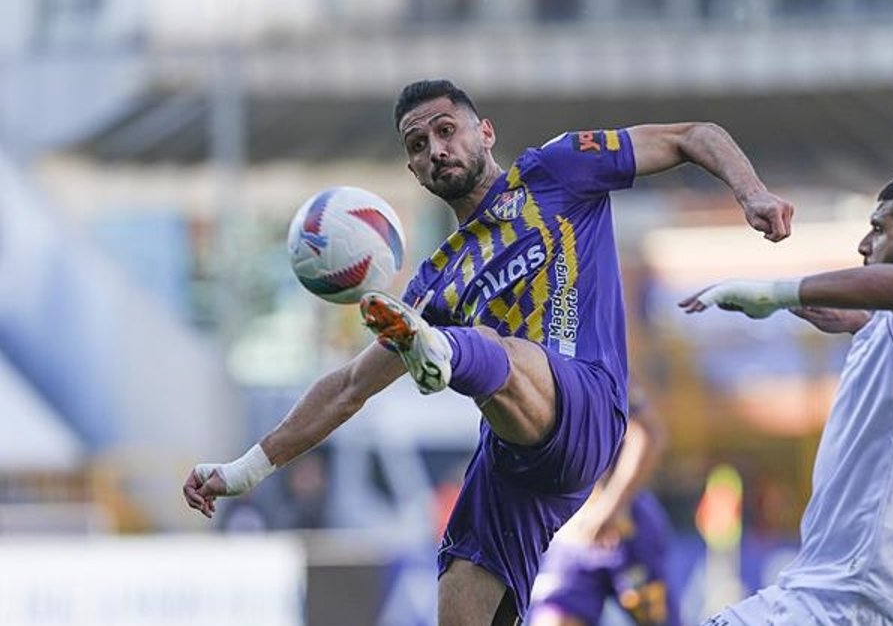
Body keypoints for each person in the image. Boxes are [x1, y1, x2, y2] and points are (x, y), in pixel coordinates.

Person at [182, 79, 793, 624]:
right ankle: (443, 355)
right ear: (415, 172)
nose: (434, 151)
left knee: (489, 348)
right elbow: (346, 390)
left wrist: (752, 194)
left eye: (445, 131)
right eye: (417, 147)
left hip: (586, 400)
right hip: (512, 460)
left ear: (485, 132)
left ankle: (444, 355)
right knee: (460, 600)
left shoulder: (557, 171)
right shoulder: (436, 281)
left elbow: (692, 134)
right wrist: (243, 471)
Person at [680, 170, 893, 626]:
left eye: (880, 228)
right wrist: (856, 321)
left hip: (847, 600)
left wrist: (776, 292)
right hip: (843, 596)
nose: (865, 244)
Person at [528, 387, 678, 626]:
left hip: (625, 526)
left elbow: (648, 431)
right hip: (570, 534)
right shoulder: (522, 361)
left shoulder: (598, 357)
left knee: (656, 619)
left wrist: (611, 506)